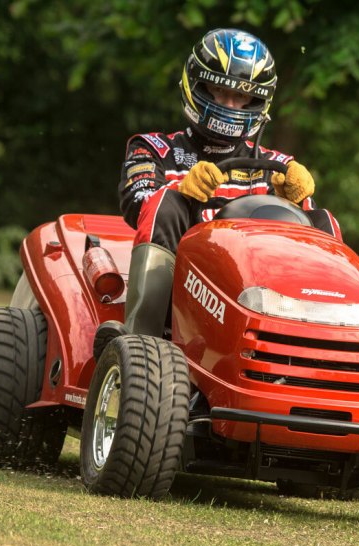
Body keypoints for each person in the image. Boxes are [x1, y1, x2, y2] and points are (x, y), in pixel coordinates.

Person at [115, 28, 341, 339]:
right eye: (219, 92)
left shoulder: (279, 168)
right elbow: (136, 201)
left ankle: (329, 339)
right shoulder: (152, 149)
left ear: (257, 101)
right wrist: (181, 189)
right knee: (165, 204)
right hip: (181, 302)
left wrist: (296, 203)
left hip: (259, 300)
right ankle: (139, 342)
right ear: (196, 86)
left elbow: (307, 233)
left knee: (321, 219)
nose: (230, 105)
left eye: (241, 96)